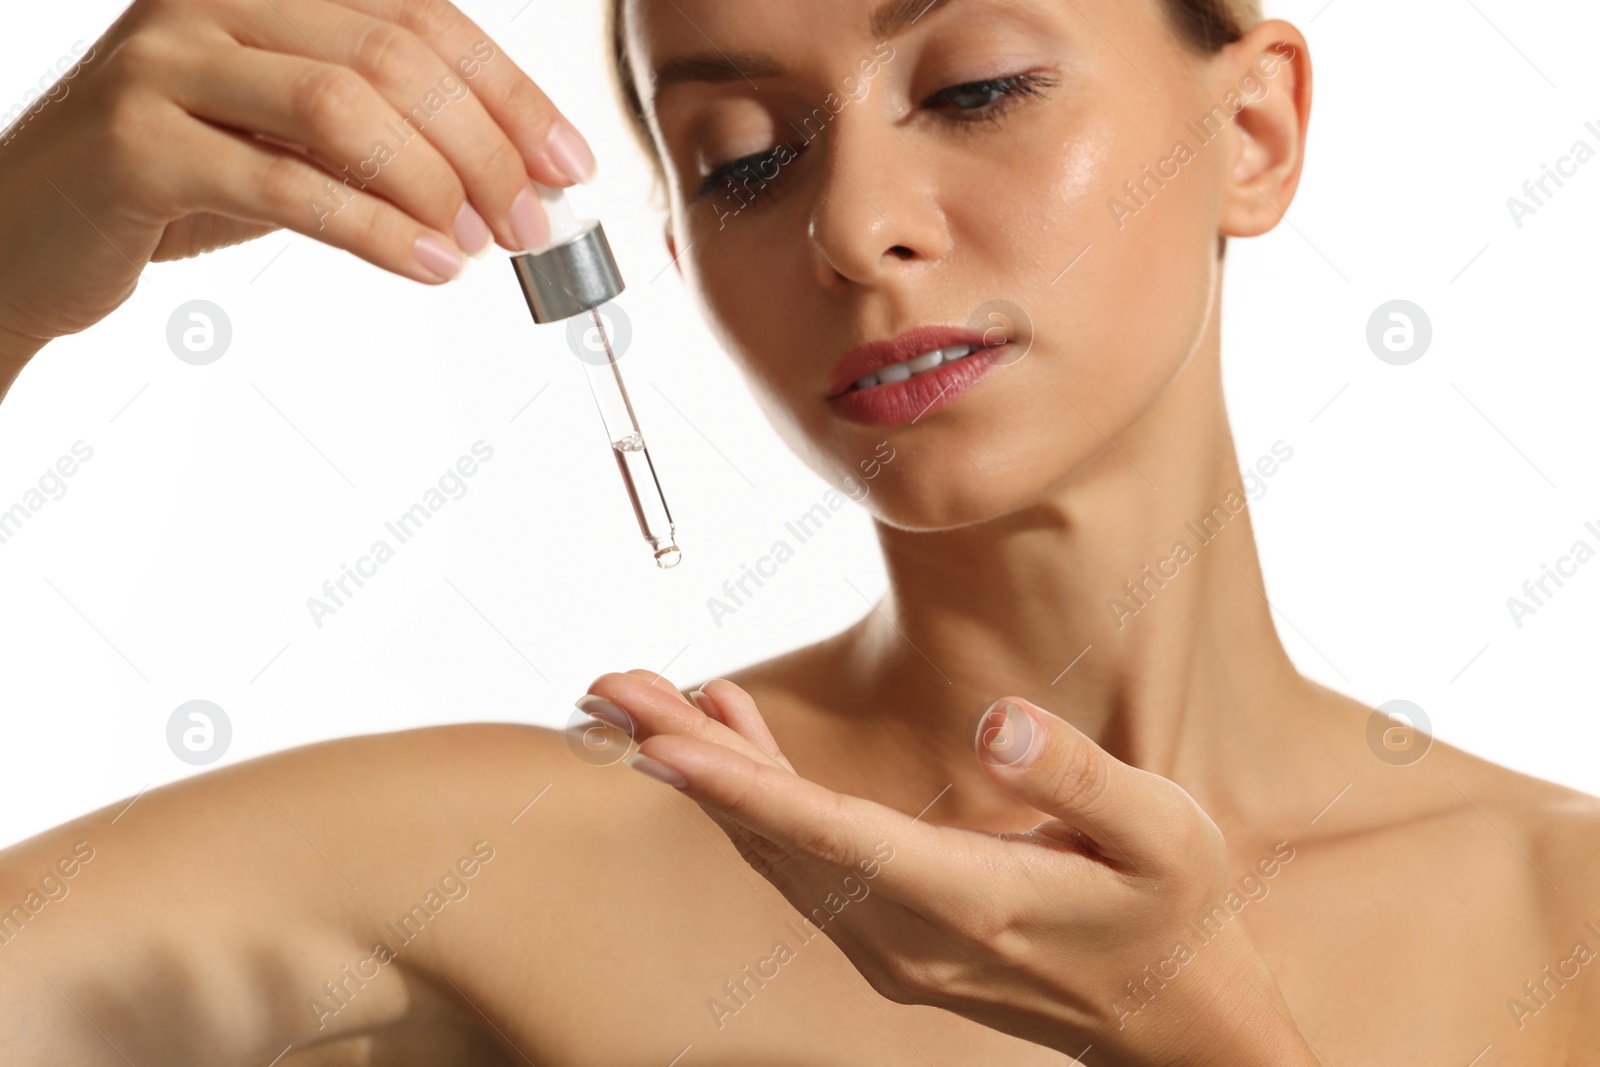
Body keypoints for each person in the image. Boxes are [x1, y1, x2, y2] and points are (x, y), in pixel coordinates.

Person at [2, 0, 1596, 1062]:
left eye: (975, 88)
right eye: (742, 160)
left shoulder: (1564, 918)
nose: (850, 226)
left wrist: (1200, 1033)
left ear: (1250, 135)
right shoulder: (493, 865)